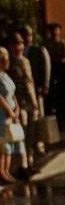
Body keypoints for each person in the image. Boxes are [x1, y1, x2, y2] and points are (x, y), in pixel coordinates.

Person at [0, 47, 24, 183]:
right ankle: (1, 172)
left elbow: (12, 93)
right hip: (2, 115)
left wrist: (17, 107)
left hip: (12, 114)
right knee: (3, 145)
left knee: (9, 144)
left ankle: (6, 171)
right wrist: (9, 111)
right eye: (5, 59)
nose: (8, 61)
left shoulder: (5, 75)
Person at [43, 23, 65, 116]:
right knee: (51, 91)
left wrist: (57, 59)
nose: (54, 32)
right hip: (50, 70)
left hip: (61, 70)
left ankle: (63, 110)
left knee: (62, 91)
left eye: (56, 30)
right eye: (52, 30)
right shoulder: (47, 44)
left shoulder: (63, 43)